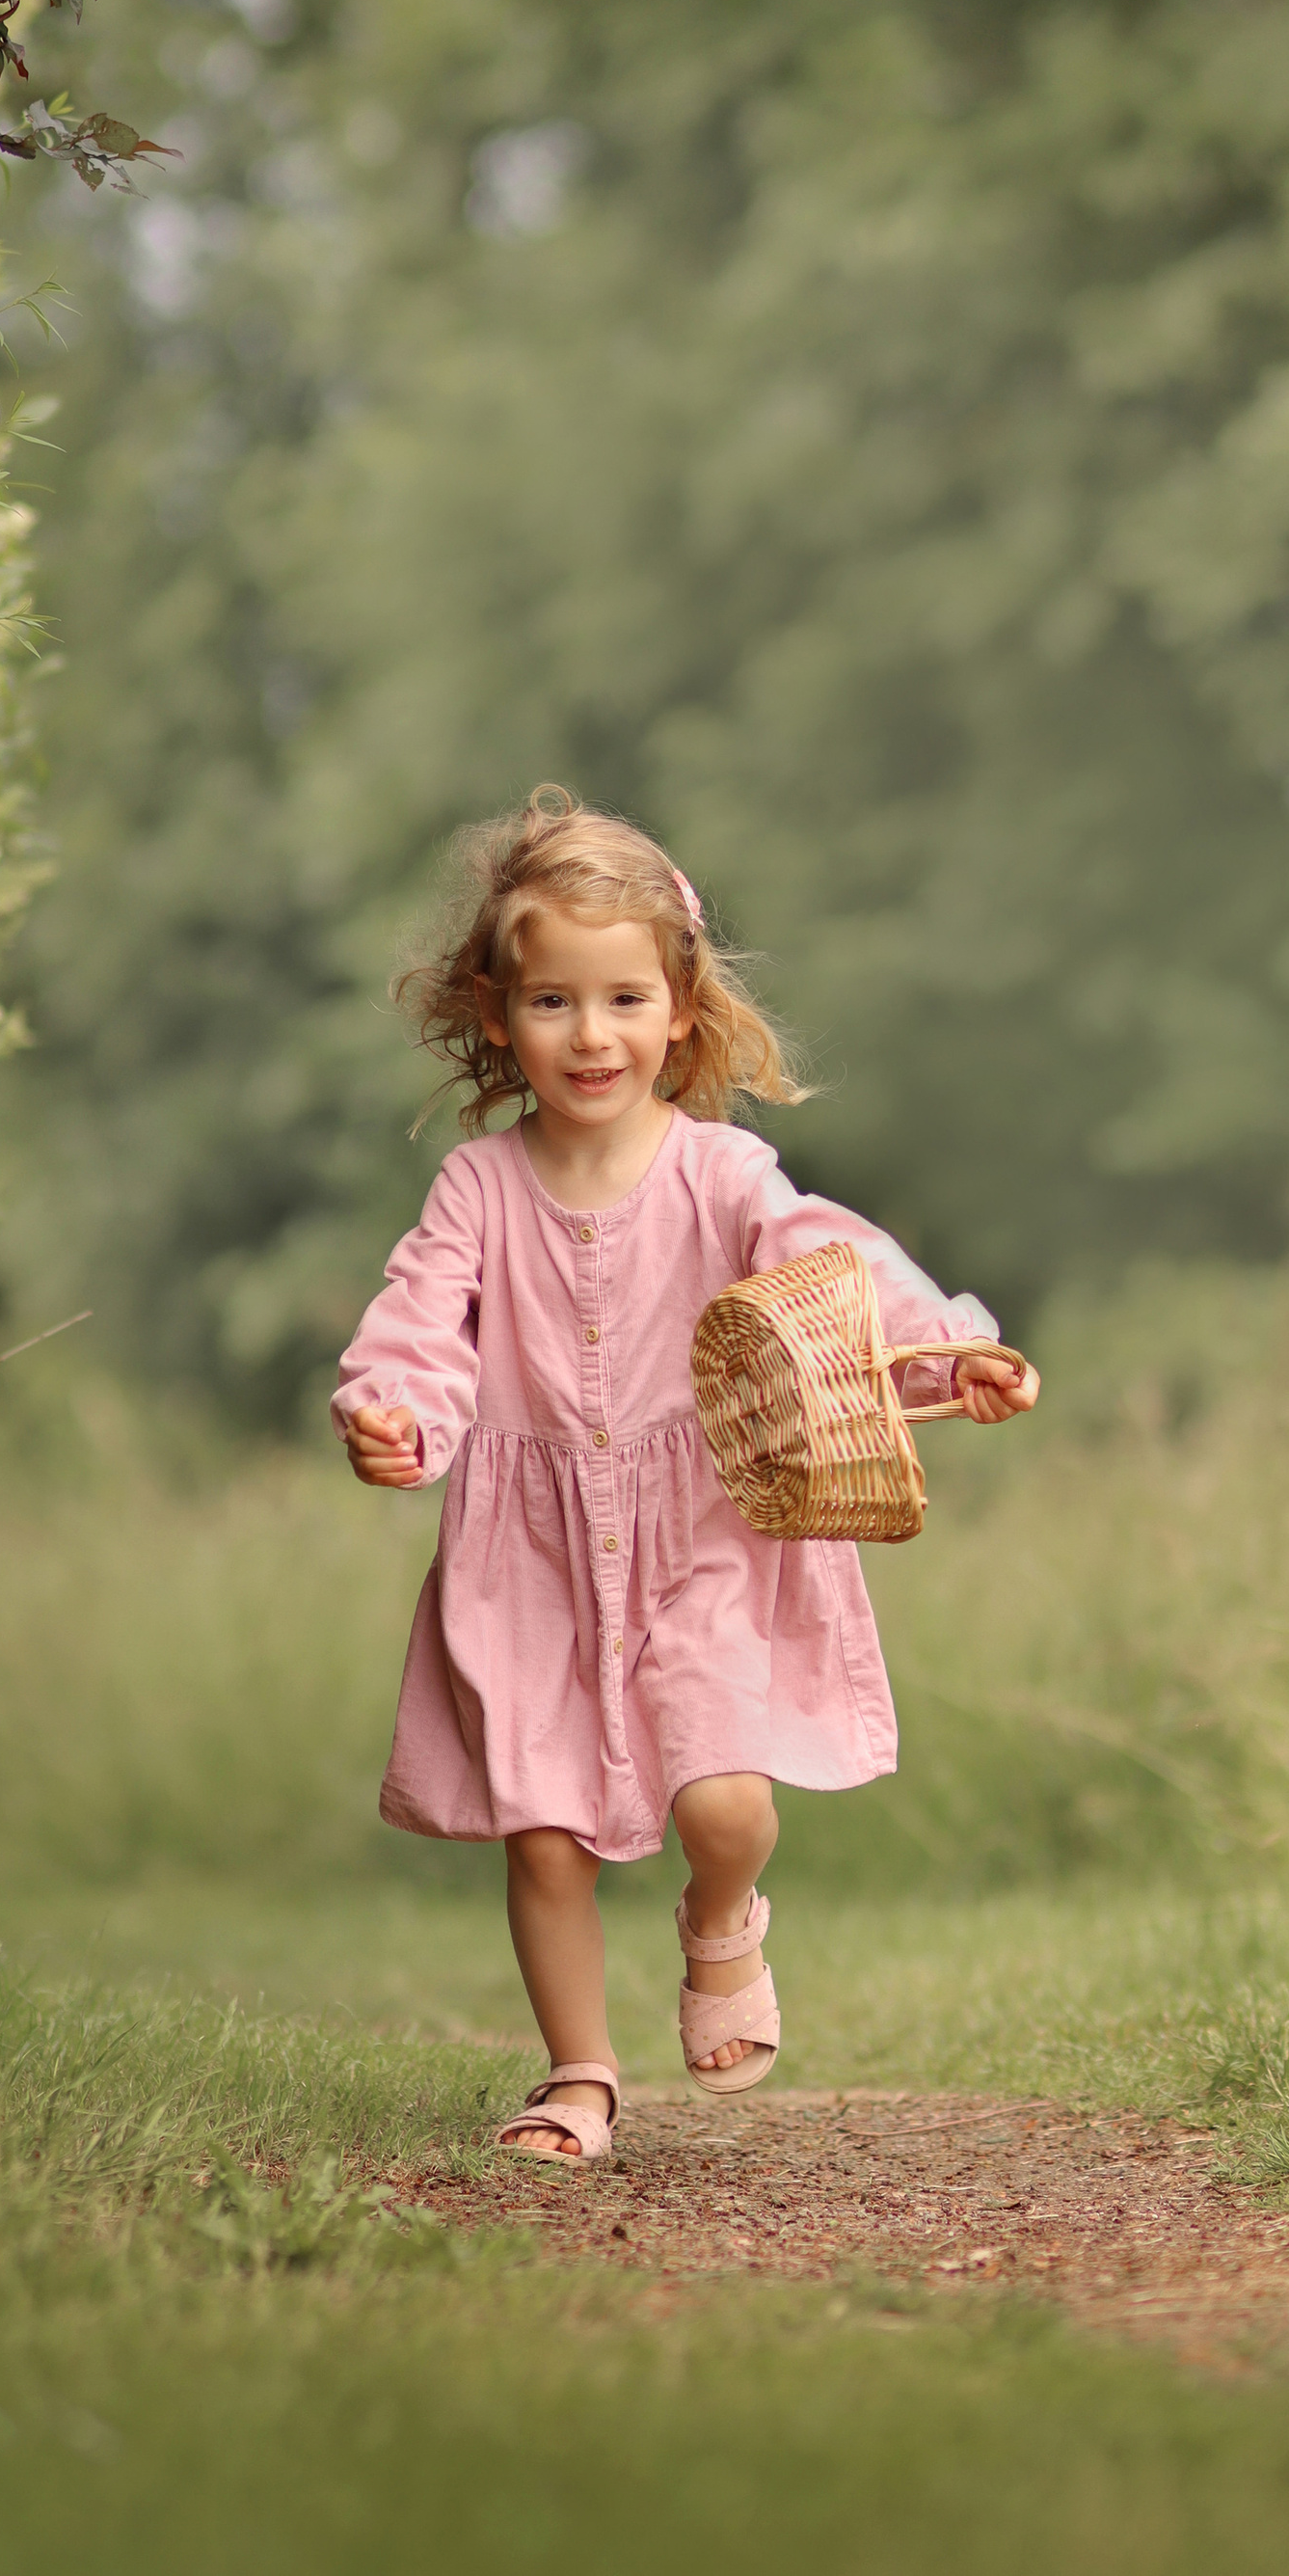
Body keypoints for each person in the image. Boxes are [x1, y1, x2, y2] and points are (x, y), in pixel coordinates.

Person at [335, 788, 1039, 2162]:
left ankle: (722, 1916)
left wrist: (947, 1354)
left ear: (680, 1012)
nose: (591, 1034)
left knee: (726, 1798)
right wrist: (397, 1414)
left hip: (705, 1533)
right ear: (498, 1014)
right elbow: (420, 1321)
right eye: (552, 1000)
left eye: (624, 999)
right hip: (531, 1554)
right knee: (544, 1833)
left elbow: (832, 1276)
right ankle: (578, 2077)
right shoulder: (477, 1188)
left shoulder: (723, 1172)